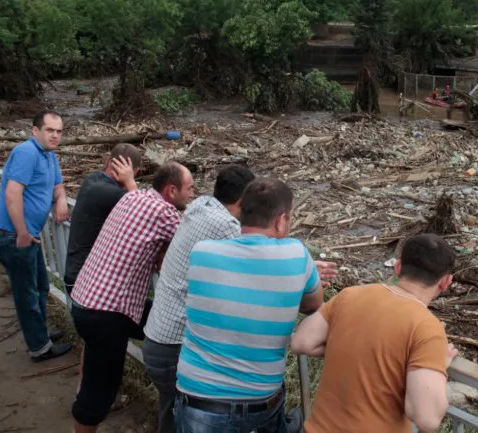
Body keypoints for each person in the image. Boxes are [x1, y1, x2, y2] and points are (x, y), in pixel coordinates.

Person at [143, 167, 339, 433]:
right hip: (256, 407)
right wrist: (301, 274)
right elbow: (314, 304)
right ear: (281, 221)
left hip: (195, 401)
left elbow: (244, 260)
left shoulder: (201, 251)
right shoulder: (296, 253)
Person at [69, 161, 194, 433]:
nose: (192, 194)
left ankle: (165, 377)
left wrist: (160, 252)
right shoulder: (165, 213)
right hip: (108, 313)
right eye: (189, 188)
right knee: (99, 392)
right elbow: (192, 243)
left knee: (159, 318)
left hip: (86, 299)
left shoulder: (133, 197)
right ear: (172, 191)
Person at [291, 234, 460, 433]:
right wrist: (437, 368)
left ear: (398, 267)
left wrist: (350, 349)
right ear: (446, 282)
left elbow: (301, 342)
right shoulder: (427, 329)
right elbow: (427, 419)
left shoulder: (351, 295)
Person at [0, 110, 72, 362]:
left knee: (41, 287)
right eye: (49, 130)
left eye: (59, 131)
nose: (55, 135)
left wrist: (61, 200)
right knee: (27, 295)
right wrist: (22, 232)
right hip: (11, 236)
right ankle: (39, 348)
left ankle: (40, 335)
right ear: (35, 131)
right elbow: (12, 194)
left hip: (25, 236)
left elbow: (58, 184)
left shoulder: (48, 154)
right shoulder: (27, 152)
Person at [64, 143, 143, 298]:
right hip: (85, 282)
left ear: (107, 161)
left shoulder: (93, 179)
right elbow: (143, 210)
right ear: (134, 172)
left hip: (77, 274)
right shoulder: (110, 193)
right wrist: (130, 182)